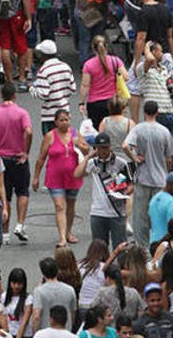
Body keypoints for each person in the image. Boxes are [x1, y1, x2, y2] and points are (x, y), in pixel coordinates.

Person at [32, 109, 90, 248]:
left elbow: (88, 151)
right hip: (55, 177)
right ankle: (62, 237)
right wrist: (36, 177)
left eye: (67, 119)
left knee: (70, 205)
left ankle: (69, 232)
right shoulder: (50, 136)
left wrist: (79, 145)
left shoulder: (75, 134)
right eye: (61, 120)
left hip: (73, 176)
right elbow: (41, 158)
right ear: (56, 122)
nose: (65, 122)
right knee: (59, 206)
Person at [0, 83, 33, 244]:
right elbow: (28, 131)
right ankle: (20, 224)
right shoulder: (22, 113)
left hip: (1, 159)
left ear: (2, 96)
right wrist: (26, 151)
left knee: (5, 195)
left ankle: (4, 233)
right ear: (14, 95)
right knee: (22, 192)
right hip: (18, 158)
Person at [124, 100, 173, 247]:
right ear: (157, 113)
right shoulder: (164, 131)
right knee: (159, 216)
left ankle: (142, 249)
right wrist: (167, 171)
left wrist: (135, 158)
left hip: (143, 178)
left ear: (144, 112)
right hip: (160, 180)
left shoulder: (139, 129)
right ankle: (160, 246)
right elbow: (169, 158)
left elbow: (125, 145)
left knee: (140, 218)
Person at [74, 134, 132, 249]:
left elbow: (131, 184)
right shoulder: (92, 163)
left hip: (117, 212)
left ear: (110, 147)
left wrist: (122, 192)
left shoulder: (121, 163)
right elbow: (77, 174)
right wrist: (87, 157)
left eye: (105, 147)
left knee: (120, 248)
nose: (103, 151)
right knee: (99, 250)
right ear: (96, 148)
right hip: (97, 212)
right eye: (100, 148)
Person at [31, 257, 78, 333]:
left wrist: (35, 333)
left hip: (45, 333)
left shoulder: (39, 291)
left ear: (43, 273)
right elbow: (73, 312)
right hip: (66, 331)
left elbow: (36, 316)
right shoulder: (70, 289)